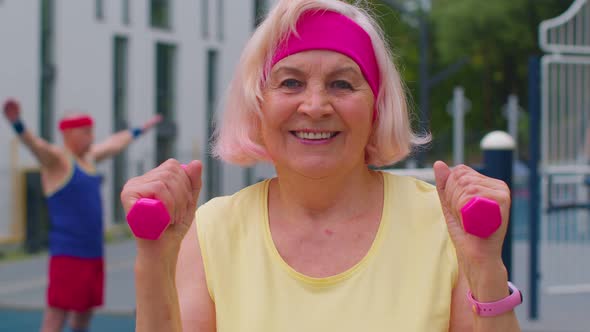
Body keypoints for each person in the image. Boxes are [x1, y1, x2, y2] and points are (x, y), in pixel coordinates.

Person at [121, 0, 522, 331]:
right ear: (258, 106)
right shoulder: (210, 232)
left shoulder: (442, 224)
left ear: (376, 109)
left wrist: (486, 267)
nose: (314, 106)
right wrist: (154, 260)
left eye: (342, 84)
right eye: (290, 83)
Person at [2, 98, 162, 332]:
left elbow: (115, 143)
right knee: (56, 316)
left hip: (93, 252)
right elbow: (36, 145)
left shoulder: (89, 158)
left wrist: (140, 130)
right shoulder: (57, 161)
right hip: (68, 253)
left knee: (84, 314)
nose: (92, 137)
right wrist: (17, 124)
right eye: (86, 132)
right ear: (70, 134)